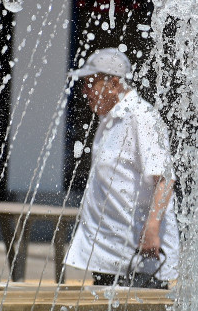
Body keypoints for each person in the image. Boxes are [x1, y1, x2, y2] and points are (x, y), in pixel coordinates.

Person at [64, 48, 179, 288]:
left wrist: (152, 228)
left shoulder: (142, 117)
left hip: (139, 259)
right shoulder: (109, 120)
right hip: (110, 257)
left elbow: (165, 178)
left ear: (114, 84)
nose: (85, 92)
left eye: (90, 84)